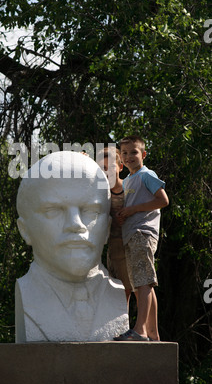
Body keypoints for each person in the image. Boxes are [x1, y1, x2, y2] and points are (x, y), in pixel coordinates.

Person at [15, 151, 129, 343]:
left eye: (91, 211)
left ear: (108, 228)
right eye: (53, 211)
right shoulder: (28, 295)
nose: (75, 224)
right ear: (25, 230)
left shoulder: (119, 293)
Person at [114, 136, 169, 341]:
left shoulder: (147, 174)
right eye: (125, 153)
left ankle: (139, 330)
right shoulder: (127, 180)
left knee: (143, 284)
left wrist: (132, 210)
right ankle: (153, 334)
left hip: (142, 234)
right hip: (131, 236)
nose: (129, 156)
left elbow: (163, 200)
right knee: (143, 284)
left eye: (134, 152)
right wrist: (123, 216)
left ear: (143, 154)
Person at [97, 146, 133, 304]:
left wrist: (127, 216)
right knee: (116, 294)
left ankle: (143, 328)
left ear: (120, 166)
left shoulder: (129, 188)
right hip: (112, 249)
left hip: (129, 248)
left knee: (133, 290)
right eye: (103, 168)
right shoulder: (100, 191)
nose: (107, 171)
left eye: (111, 166)